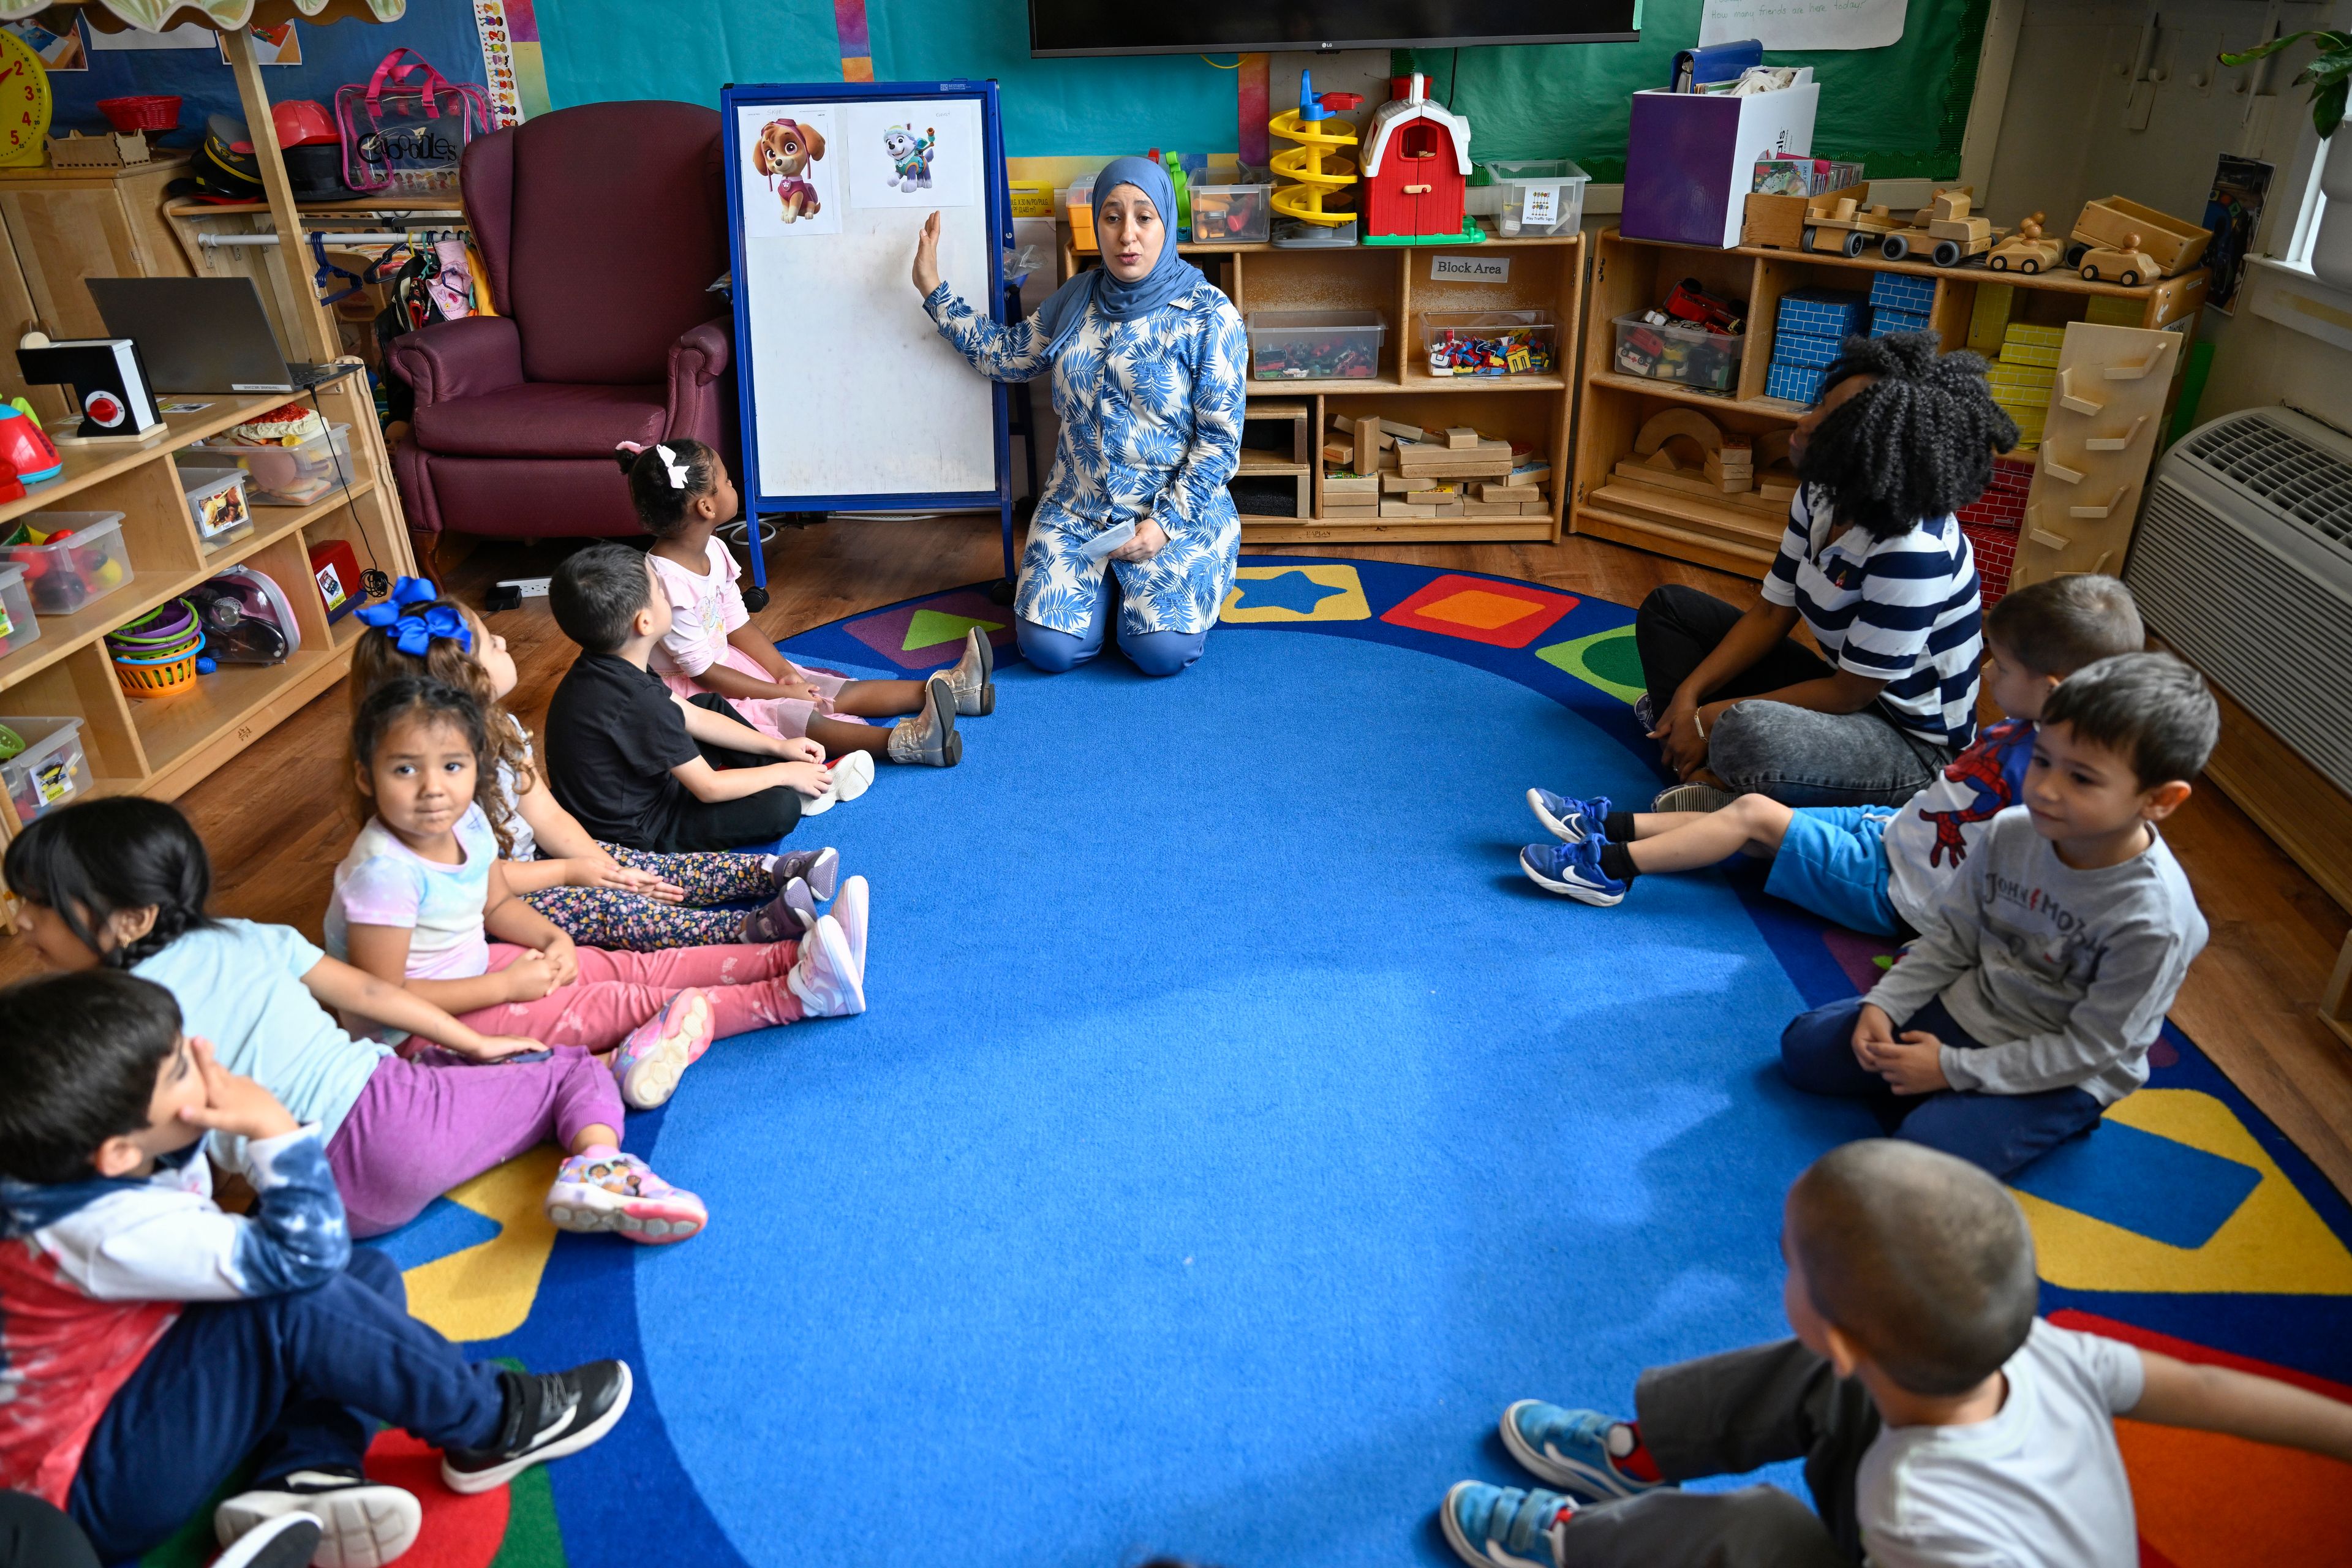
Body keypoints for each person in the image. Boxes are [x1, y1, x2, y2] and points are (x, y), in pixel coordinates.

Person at [1438, 1140, 2352, 1568]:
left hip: (1926, 1544)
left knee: (1756, 1532)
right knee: (1839, 1383)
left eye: (1786, 1262)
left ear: (1827, 1318)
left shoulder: (1923, 1519)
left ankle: (1583, 1551)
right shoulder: (2041, 1350)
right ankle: (1644, 1458)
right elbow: (2204, 1386)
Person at [0, 971, 632, 1567]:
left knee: (367, 1277)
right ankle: (496, 1419)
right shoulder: (102, 1229)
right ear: (116, 1153)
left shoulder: (73, 1164)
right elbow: (304, 1258)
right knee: (297, 1300)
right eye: (180, 1067)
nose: (204, 1048)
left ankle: (306, 1473)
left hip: (137, 1387)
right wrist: (274, 1129)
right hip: (94, 1486)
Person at [4, 795, 709, 1243]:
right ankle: (600, 1164)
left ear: (132, 918)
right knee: (568, 1069)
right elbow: (374, 995)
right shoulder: (250, 937)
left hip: (302, 1205)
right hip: (389, 1132)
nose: (19, 919)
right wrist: (482, 1042)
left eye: (36, 901)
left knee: (436, 1066)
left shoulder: (88, 1023)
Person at [1779, 652, 2218, 1177]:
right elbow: (1952, 941)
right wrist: (1886, 1006)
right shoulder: (2012, 830)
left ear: (2160, 800)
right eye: (2042, 760)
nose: (2046, 789)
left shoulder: (2155, 920)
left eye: (2082, 779)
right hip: (1981, 1004)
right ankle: (1952, 1089)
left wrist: (1950, 1069)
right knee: (1804, 1051)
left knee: (1920, 1153)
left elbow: (2091, 1049)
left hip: (2067, 1065)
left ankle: (2061, 1115)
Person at [1520, 576, 2146, 922]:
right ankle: (1607, 822)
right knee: (1758, 817)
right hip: (1899, 831)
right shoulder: (2015, 734)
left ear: (2053, 689)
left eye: (2002, 667)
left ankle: (1609, 870)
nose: (1985, 676)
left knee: (1752, 816)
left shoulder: (2047, 776)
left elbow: (2018, 882)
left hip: (1901, 887)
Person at [330, 679, 869, 1077]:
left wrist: (552, 938)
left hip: (482, 970)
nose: (432, 789)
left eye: (452, 767)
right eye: (405, 770)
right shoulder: (382, 873)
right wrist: (507, 985)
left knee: (633, 967)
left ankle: (793, 954)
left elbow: (493, 906)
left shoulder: (466, 821)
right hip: (421, 1038)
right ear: (364, 774)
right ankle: (798, 996)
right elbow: (384, 997)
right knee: (620, 1003)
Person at [350, 579, 843, 951]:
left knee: (638, 869)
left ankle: (765, 872)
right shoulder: (436, 787)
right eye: (490, 644)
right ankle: (736, 929)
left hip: (542, 861)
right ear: (465, 682)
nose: (503, 641)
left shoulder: (502, 731)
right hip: (494, 902)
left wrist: (597, 863)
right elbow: (484, 880)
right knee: (612, 907)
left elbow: (547, 817)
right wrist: (575, 873)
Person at [1635, 332, 2014, 811]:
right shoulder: (1823, 490)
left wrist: (1709, 716)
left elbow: (1851, 693)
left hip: (1909, 745)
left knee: (1748, 729)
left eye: (1830, 423)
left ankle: (1717, 773)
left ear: (1878, 450)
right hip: (1845, 693)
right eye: (1820, 406)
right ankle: (1700, 748)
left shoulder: (1913, 552)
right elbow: (1772, 613)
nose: (1804, 423)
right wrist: (1691, 697)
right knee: (1670, 610)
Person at [912, 154, 1247, 677]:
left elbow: (1219, 446)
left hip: (1172, 514)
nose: (1127, 236)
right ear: (1097, 224)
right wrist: (933, 288)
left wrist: (1161, 527)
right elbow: (1009, 355)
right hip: (1078, 508)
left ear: (1167, 221)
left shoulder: (1210, 315)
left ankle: (1161, 596)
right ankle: (1110, 601)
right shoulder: (1077, 297)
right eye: (1112, 217)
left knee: (1161, 654)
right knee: (1049, 651)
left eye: (1144, 216)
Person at [624, 439, 987, 764]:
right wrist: (779, 691)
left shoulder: (714, 549)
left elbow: (737, 623)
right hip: (696, 694)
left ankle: (957, 690)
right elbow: (702, 672)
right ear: (706, 506)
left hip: (729, 666)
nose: (735, 486)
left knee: (824, 687)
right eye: (728, 482)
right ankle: (909, 743)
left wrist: (784, 673)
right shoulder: (666, 583)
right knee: (800, 717)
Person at [545, 543, 888, 851]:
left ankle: (800, 781)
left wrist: (779, 748)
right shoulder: (639, 702)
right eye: (661, 593)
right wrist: (782, 774)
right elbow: (707, 787)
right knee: (777, 810)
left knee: (708, 705)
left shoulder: (611, 663)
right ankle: (796, 788)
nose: (669, 598)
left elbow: (693, 716)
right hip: (641, 827)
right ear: (645, 622)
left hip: (643, 781)